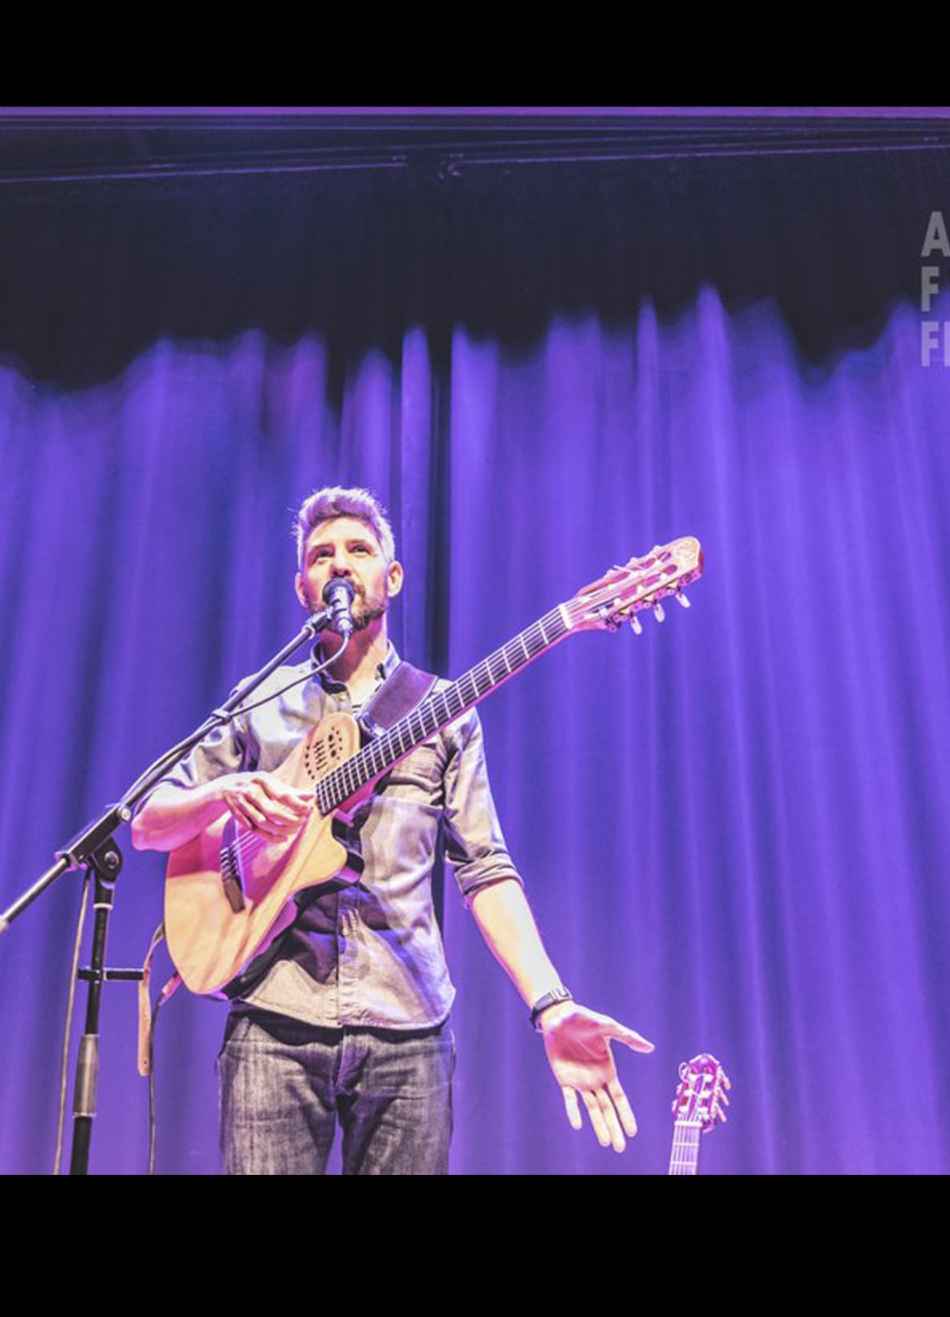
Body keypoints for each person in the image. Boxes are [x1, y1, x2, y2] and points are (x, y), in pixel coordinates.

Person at [131, 486, 652, 1173]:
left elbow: (486, 867)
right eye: (321, 555)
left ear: (393, 576)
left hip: (408, 1029)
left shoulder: (443, 710)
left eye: (359, 549)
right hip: (273, 1022)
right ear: (302, 586)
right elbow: (148, 822)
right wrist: (224, 793)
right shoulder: (260, 700)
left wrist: (551, 1004)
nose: (340, 564)